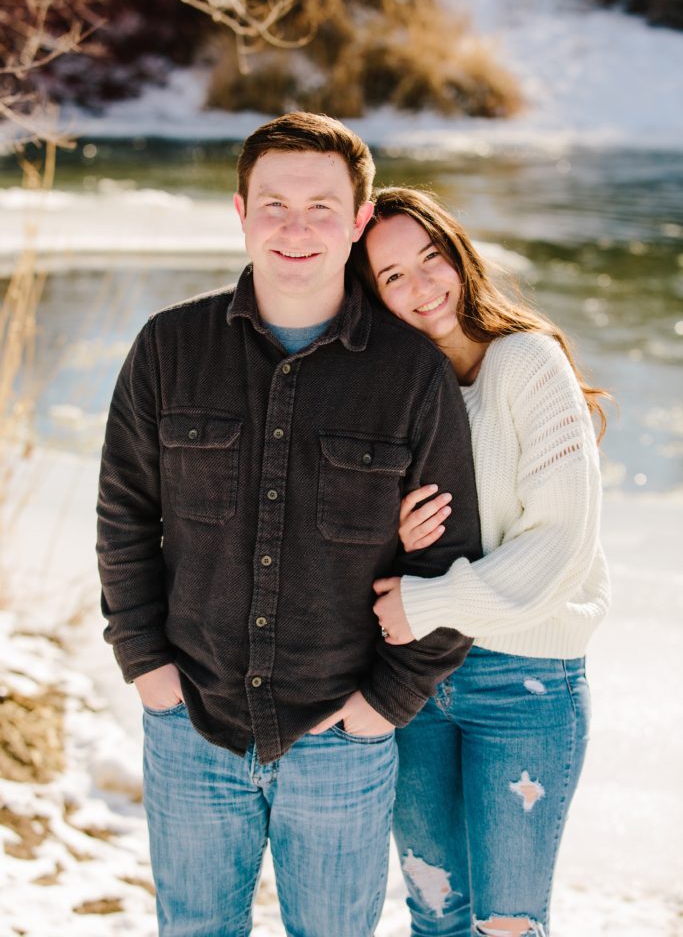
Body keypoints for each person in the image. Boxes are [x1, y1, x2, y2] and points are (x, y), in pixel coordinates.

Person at [96, 115, 482, 937]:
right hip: (190, 721)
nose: (295, 229)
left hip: (341, 735)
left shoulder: (410, 374)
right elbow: (125, 515)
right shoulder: (169, 347)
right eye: (274, 204)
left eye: (320, 208)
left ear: (358, 218)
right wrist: (145, 667)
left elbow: (454, 560)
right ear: (240, 210)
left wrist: (387, 700)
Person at [350, 186, 611, 937]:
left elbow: (558, 546)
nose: (422, 286)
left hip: (523, 682)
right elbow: (347, 540)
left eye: (430, 259)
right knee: (434, 914)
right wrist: (387, 526)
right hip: (416, 679)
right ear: (372, 296)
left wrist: (427, 603)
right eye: (393, 276)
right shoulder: (395, 393)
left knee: (508, 925)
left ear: (459, 256)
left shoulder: (526, 363)